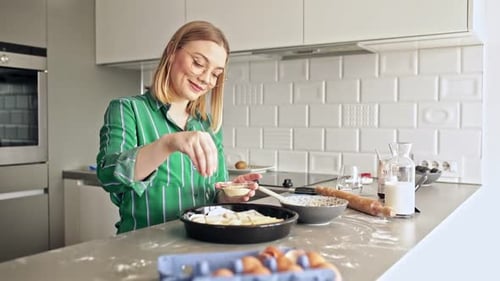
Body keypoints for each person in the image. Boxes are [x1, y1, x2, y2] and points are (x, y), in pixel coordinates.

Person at [96, 21, 261, 234]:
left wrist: (228, 195)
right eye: (198, 63)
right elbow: (109, 176)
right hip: (142, 249)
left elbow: (210, 195)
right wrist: (168, 143)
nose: (206, 79)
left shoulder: (208, 125)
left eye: (215, 74)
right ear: (172, 51)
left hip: (200, 247)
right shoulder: (128, 110)